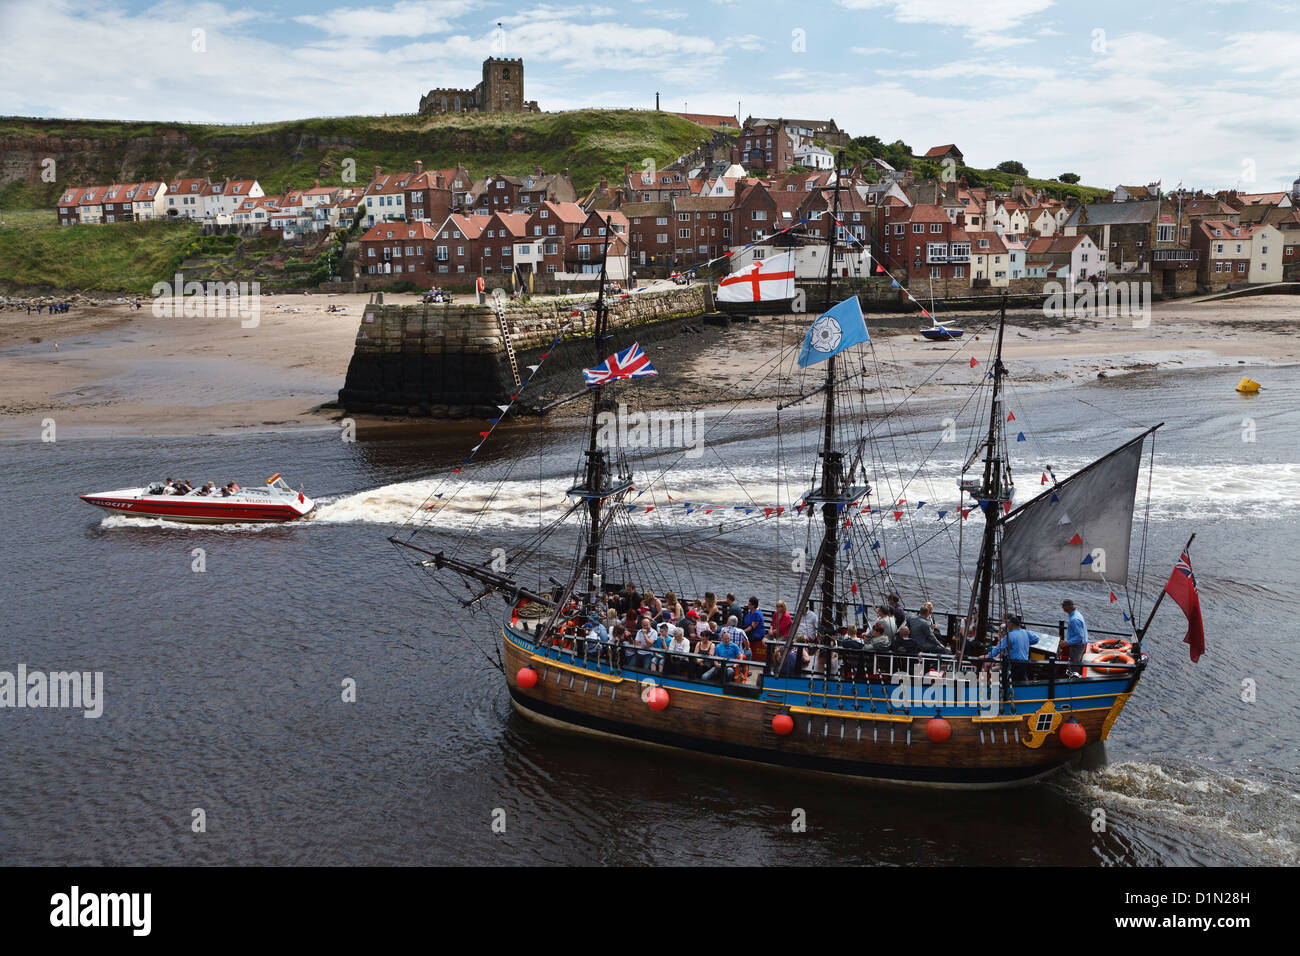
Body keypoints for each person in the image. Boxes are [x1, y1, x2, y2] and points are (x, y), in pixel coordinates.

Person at [985, 615, 1033, 682]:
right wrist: (1027, 641)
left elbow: (999, 648)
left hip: (1012, 664)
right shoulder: (1024, 633)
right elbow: (1036, 639)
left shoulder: (1010, 636)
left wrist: (989, 656)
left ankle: (992, 688)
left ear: (1011, 625)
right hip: (1023, 663)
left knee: (993, 669)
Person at [1062, 599, 1089, 676]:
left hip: (1077, 646)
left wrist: (1067, 643)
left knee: (1074, 663)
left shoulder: (1074, 619)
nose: (1062, 607)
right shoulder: (1076, 614)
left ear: (1067, 607)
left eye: (1063, 605)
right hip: (1080, 644)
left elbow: (1079, 636)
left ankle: (1075, 678)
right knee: (1075, 661)